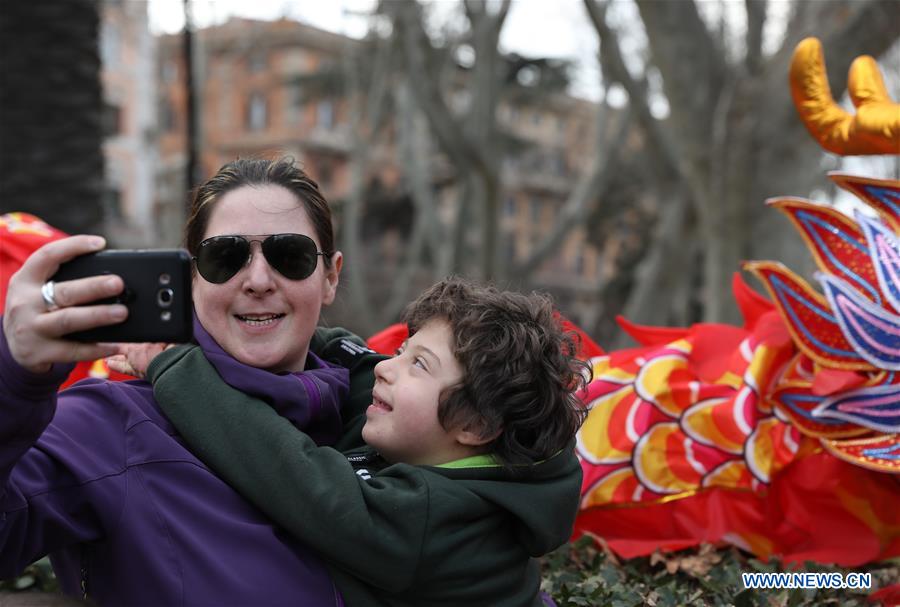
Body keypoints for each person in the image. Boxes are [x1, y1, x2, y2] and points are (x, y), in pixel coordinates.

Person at [0, 157, 375, 606]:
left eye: (290, 256)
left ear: (330, 277)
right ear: (192, 279)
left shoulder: (384, 419)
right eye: (225, 257)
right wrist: (13, 377)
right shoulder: (110, 426)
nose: (258, 280)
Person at [134, 277, 589, 606]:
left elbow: (296, 476)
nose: (387, 369)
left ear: (477, 426)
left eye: (420, 365)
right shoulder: (441, 447)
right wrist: (263, 329)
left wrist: (178, 369)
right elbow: (358, 363)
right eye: (401, 352)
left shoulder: (431, 521)